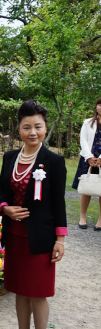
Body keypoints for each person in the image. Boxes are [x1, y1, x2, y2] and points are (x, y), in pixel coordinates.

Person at [0, 100, 66, 329]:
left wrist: (60, 239)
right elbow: (2, 192)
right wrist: (6, 209)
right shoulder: (9, 157)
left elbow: (59, 203)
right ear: (19, 129)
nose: (32, 132)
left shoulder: (54, 161)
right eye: (27, 127)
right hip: (14, 235)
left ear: (45, 128)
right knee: (19, 290)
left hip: (41, 238)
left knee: (37, 292)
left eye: (38, 126)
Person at [72, 97, 101, 230]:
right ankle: (82, 217)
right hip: (87, 157)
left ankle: (100, 220)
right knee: (86, 187)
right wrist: (89, 156)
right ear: (96, 107)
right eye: (99, 104)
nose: (100, 107)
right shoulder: (87, 122)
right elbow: (82, 139)